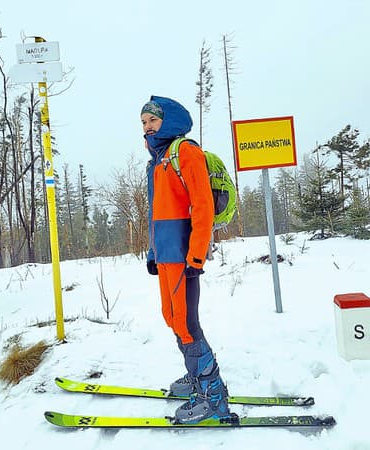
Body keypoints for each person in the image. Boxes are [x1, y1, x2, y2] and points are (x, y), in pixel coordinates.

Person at [141, 95, 230, 424]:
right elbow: (155, 213)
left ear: (170, 120)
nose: (147, 127)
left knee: (187, 324)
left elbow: (203, 206)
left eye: (152, 120)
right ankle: (196, 378)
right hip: (165, 254)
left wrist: (196, 255)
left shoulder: (185, 151)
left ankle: (214, 393)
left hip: (183, 255)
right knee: (171, 316)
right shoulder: (158, 161)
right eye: (144, 123)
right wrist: (152, 252)